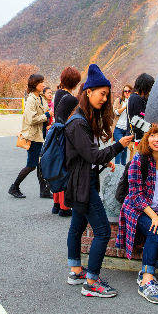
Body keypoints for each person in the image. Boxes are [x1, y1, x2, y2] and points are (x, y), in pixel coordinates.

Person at [65, 64, 134, 298]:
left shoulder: (82, 118)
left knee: (77, 226)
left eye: (107, 94)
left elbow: (86, 155)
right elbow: (92, 155)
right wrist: (118, 146)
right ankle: (92, 281)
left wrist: (105, 162)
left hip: (81, 180)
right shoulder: (77, 122)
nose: (105, 99)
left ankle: (75, 270)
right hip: (83, 184)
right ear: (88, 92)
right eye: (102, 94)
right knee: (103, 231)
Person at [116, 123, 158, 304]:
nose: (156, 139)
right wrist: (154, 218)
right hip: (137, 209)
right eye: (153, 135)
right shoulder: (139, 160)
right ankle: (147, 280)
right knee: (156, 230)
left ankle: (148, 270)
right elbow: (135, 195)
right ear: (147, 138)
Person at [8, 74, 50, 199]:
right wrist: (47, 115)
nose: (43, 84)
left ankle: (44, 190)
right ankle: (14, 186)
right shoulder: (31, 99)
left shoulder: (40, 98)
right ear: (34, 84)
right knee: (32, 164)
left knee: (40, 163)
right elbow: (31, 119)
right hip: (33, 137)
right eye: (41, 82)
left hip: (41, 134)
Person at [51, 67, 82, 217]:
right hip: (66, 136)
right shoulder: (72, 99)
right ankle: (65, 207)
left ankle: (56, 204)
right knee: (66, 170)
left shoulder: (58, 93)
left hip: (56, 135)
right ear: (76, 82)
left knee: (59, 167)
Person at [128, 73, 155, 142]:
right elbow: (136, 120)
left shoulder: (137, 97)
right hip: (140, 138)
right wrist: (152, 128)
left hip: (140, 136)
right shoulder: (136, 99)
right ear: (145, 87)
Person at [112, 84, 132, 165]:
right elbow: (115, 112)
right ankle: (117, 166)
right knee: (120, 147)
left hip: (127, 129)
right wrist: (125, 107)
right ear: (123, 92)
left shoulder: (133, 101)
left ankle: (123, 167)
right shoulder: (119, 100)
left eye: (129, 91)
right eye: (125, 91)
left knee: (125, 148)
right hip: (118, 128)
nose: (127, 93)